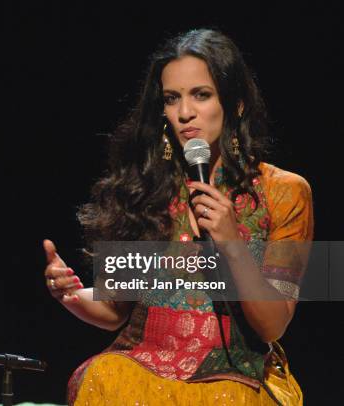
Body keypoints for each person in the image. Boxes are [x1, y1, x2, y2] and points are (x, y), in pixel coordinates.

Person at [43, 29, 312, 405]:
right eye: (172, 98)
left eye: (201, 95)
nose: (185, 112)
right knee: (101, 377)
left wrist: (232, 244)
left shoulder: (285, 191)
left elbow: (272, 326)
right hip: (144, 366)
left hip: (236, 376)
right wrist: (71, 295)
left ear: (235, 103)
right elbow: (116, 309)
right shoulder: (145, 188)